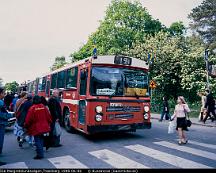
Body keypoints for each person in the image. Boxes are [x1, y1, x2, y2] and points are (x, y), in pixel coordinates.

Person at [0, 88, 14, 166]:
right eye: (3, 93)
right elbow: (2, 114)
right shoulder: (0, 103)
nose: (4, 95)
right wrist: (10, 115)